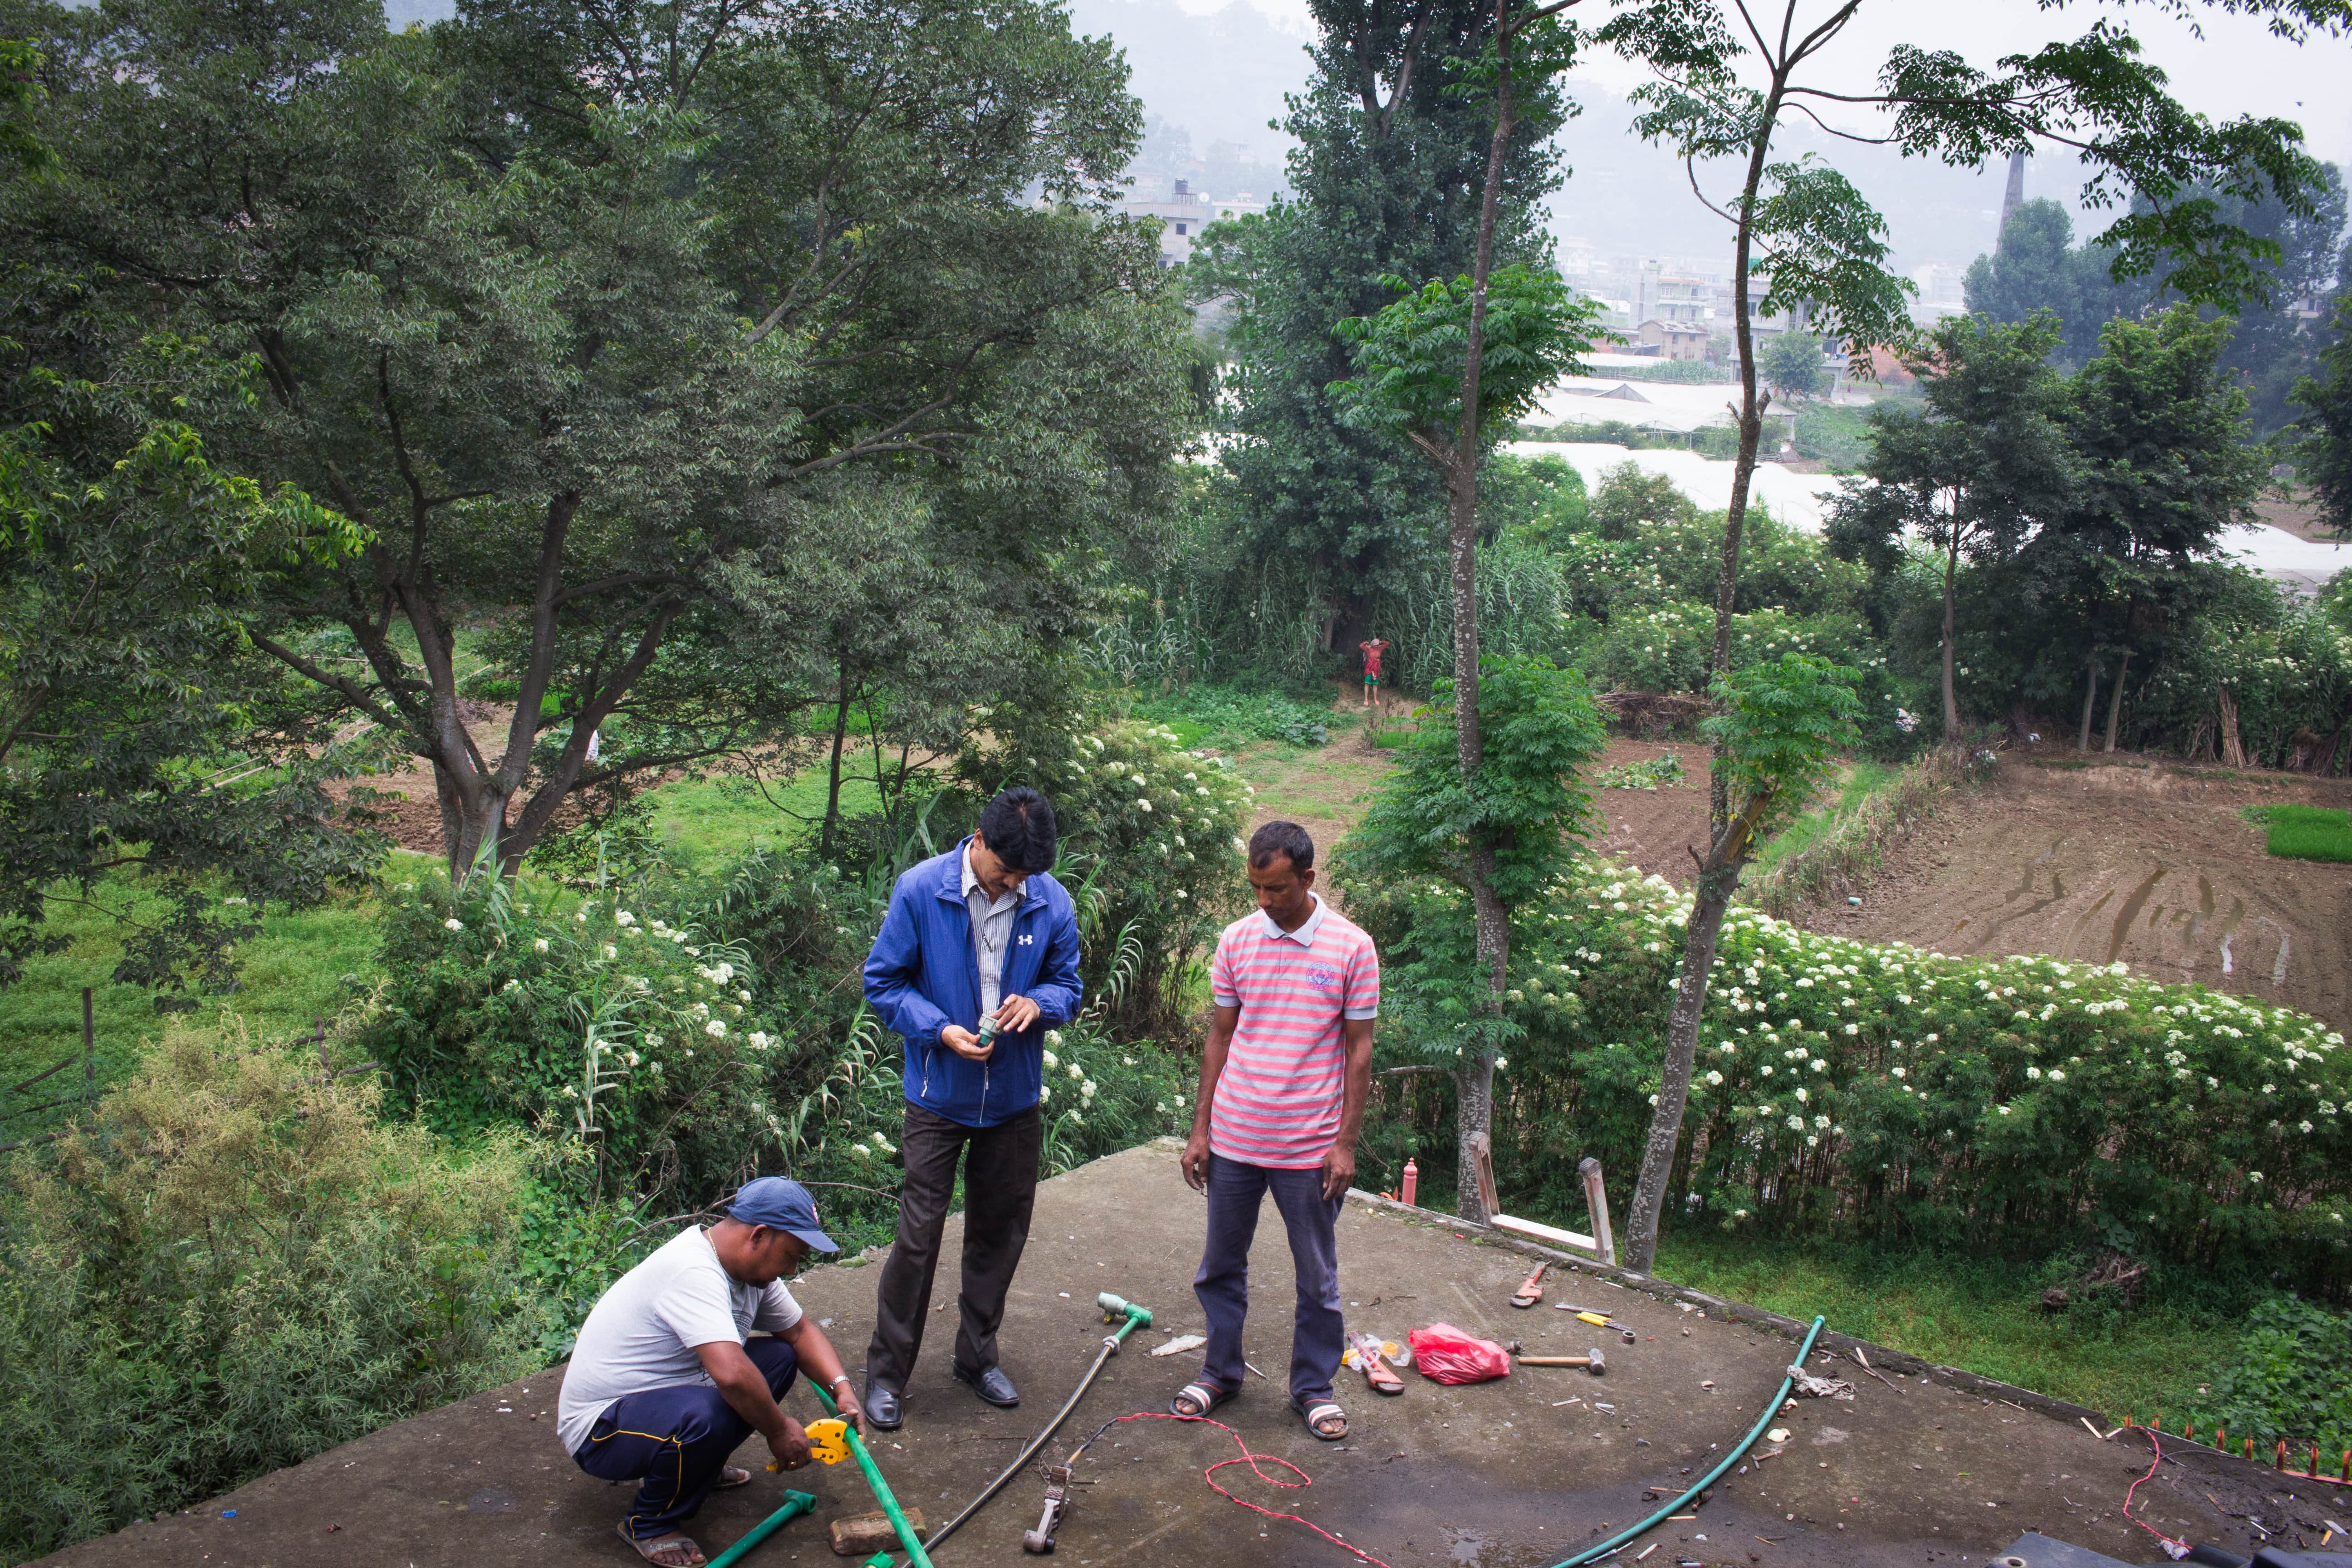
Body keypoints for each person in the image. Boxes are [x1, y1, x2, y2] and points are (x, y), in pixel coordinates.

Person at [859, 786, 1082, 1431]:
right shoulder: (921, 889)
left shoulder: (1050, 899)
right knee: (918, 1235)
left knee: (998, 1231)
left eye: (1025, 876)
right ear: (977, 842)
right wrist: (938, 1028)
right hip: (936, 1096)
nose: (1014, 884)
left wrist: (1039, 1003)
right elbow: (884, 982)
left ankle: (976, 1357)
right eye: (1005, 871)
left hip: (1012, 1099)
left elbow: (1068, 984)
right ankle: (887, 1375)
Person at [1171, 820, 1378, 1443]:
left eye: (1278, 889)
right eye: (1256, 888)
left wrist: (1344, 1143)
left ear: (1308, 878)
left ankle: (1313, 1389)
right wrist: (1200, 1130)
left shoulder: (1351, 947)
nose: (1265, 901)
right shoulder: (1237, 941)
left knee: (1317, 1276)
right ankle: (1219, 1373)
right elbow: (1220, 1035)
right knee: (1219, 1267)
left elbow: (1360, 1051)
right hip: (1236, 1138)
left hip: (1309, 1148)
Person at [558, 1178, 863, 1568]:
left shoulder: (752, 1272)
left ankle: (698, 1466)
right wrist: (779, 1430)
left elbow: (800, 1332)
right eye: (792, 1255)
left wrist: (843, 1389)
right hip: (601, 1430)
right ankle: (648, 1524)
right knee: (712, 1409)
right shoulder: (693, 1269)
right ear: (759, 1235)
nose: (792, 1268)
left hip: (662, 1402)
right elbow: (732, 1376)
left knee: (779, 1357)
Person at [1357, 636, 1389, 709]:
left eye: (1378, 645)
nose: (1377, 646)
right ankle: (1366, 699)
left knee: (1375, 684)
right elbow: (1361, 646)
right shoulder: (1369, 649)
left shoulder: (1380, 648)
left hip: (1376, 668)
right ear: (1373, 645)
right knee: (1367, 684)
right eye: (1376, 645)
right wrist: (1365, 642)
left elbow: (1387, 643)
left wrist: (1381, 642)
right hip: (1369, 668)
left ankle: (1375, 699)